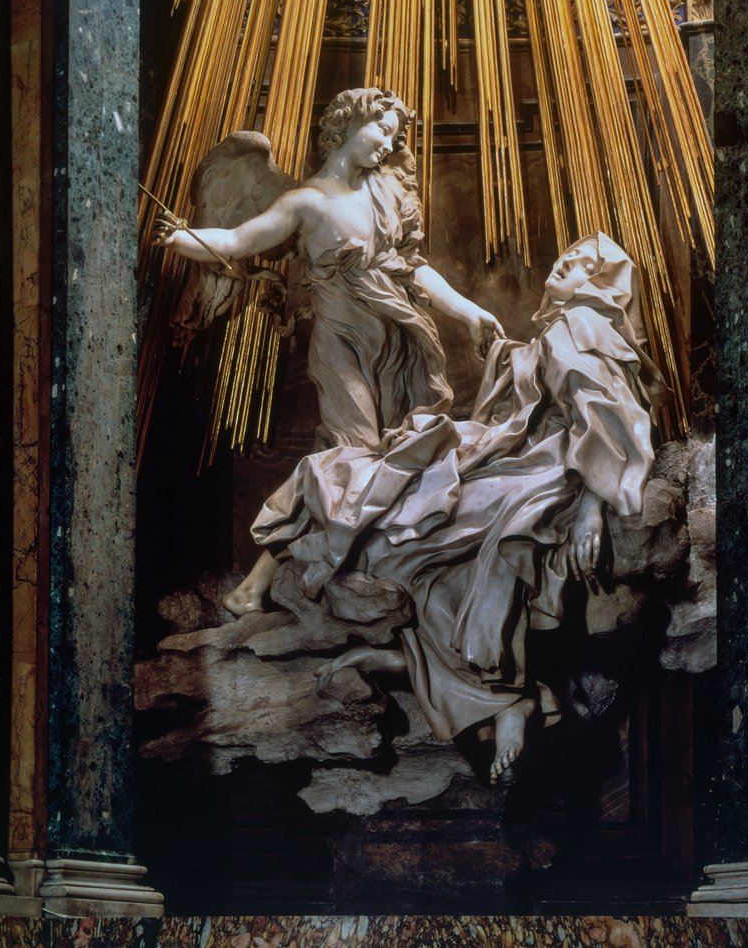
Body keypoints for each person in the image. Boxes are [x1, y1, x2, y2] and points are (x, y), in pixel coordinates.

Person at [231, 231, 670, 782]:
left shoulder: (581, 324)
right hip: (517, 456)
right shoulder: (564, 328)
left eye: (584, 263)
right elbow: (552, 397)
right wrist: (507, 358)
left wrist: (591, 508)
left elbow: (607, 414)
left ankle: (501, 697)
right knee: (400, 499)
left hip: (543, 468)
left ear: (603, 287)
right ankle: (499, 696)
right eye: (568, 253)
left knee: (419, 522)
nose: (566, 261)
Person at [155, 87, 504, 613]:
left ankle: (344, 577)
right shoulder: (304, 202)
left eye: (395, 137)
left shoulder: (388, 193)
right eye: (382, 130)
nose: (388, 144)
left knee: (396, 458)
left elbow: (416, 270)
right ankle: (263, 583)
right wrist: (183, 239)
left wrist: (470, 312)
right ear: (345, 124)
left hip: (401, 343)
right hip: (341, 343)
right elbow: (239, 241)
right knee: (353, 458)